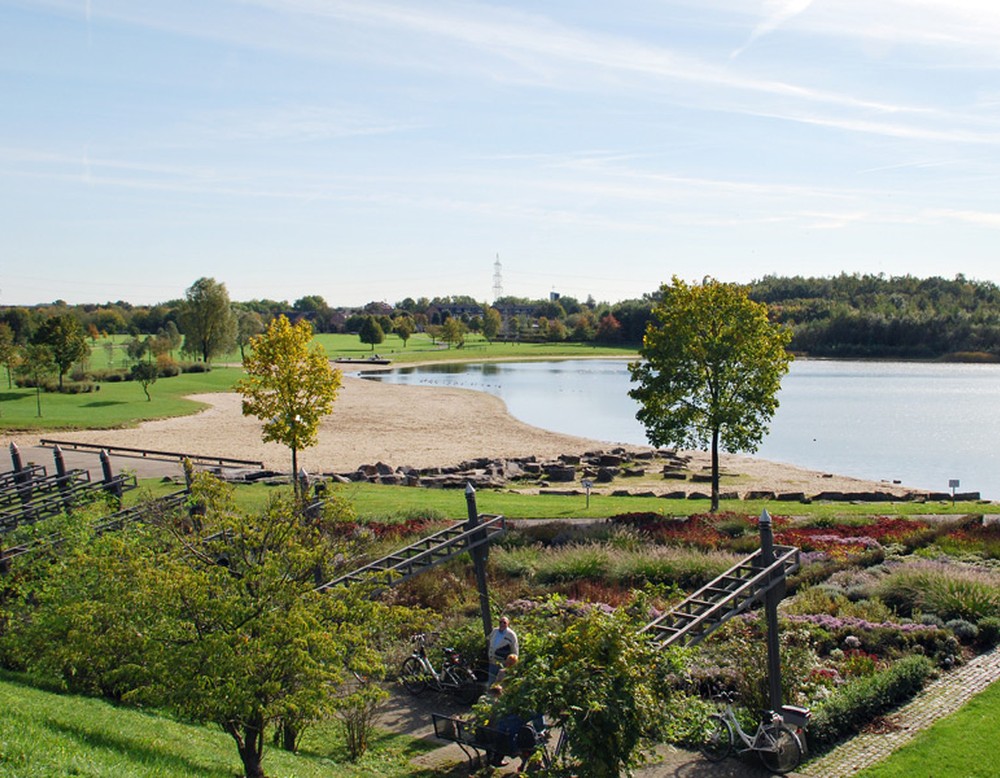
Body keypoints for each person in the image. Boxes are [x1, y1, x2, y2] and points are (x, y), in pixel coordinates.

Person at [487, 616, 519, 684]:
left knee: (500, 683)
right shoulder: (495, 631)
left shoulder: (511, 635)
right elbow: (489, 641)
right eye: (500, 622)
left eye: (504, 622)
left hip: (503, 663)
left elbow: (515, 650)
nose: (502, 624)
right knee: (491, 682)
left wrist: (512, 663)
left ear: (508, 624)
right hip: (492, 661)